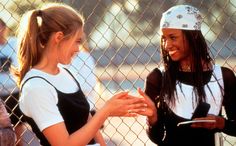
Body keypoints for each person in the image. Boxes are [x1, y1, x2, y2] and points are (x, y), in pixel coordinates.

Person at [12, 3, 147, 146]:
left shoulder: (66, 72)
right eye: (77, 41)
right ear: (58, 37)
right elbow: (63, 144)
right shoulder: (36, 86)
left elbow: (87, 119)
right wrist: (105, 112)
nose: (78, 49)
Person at [140, 5, 236, 146]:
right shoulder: (158, 78)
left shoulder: (223, 76)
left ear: (194, 35)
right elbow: (158, 138)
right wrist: (153, 118)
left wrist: (221, 123)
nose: (166, 46)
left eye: (173, 37)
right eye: (164, 38)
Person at [0, 18, 25, 145]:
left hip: (15, 90)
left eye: (0, 27)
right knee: (4, 129)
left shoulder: (14, 43)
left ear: (5, 28)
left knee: (18, 124)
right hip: (0, 94)